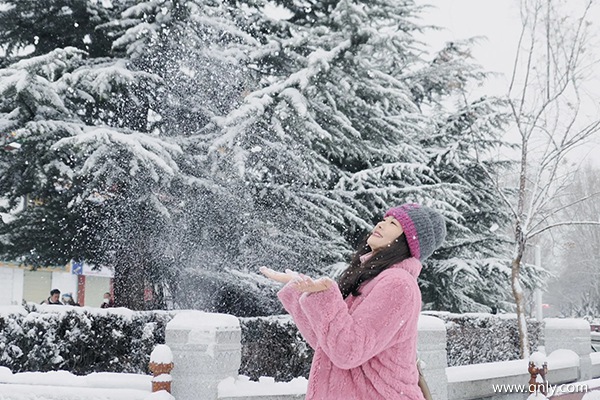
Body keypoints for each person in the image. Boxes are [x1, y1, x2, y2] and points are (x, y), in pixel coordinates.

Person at [260, 203, 446, 400]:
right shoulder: (372, 279)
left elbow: (348, 351)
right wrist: (301, 291)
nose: (381, 224)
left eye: (393, 223)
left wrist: (325, 296)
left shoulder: (398, 284)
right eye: (384, 219)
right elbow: (327, 343)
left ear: (407, 241)